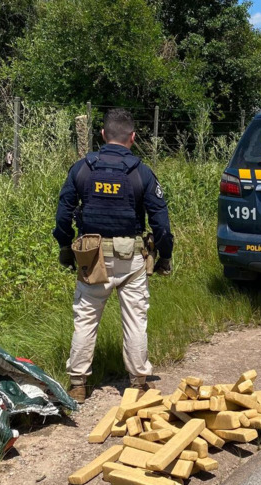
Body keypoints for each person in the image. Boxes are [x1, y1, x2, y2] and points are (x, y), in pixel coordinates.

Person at [53, 108, 173, 402]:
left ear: (103, 134)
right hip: (131, 258)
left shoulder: (82, 168)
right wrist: (165, 257)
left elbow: (62, 215)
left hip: (92, 258)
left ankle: (78, 384)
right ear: (133, 137)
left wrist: (66, 248)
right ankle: (138, 382)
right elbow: (161, 223)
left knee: (85, 319)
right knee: (135, 320)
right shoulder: (141, 172)